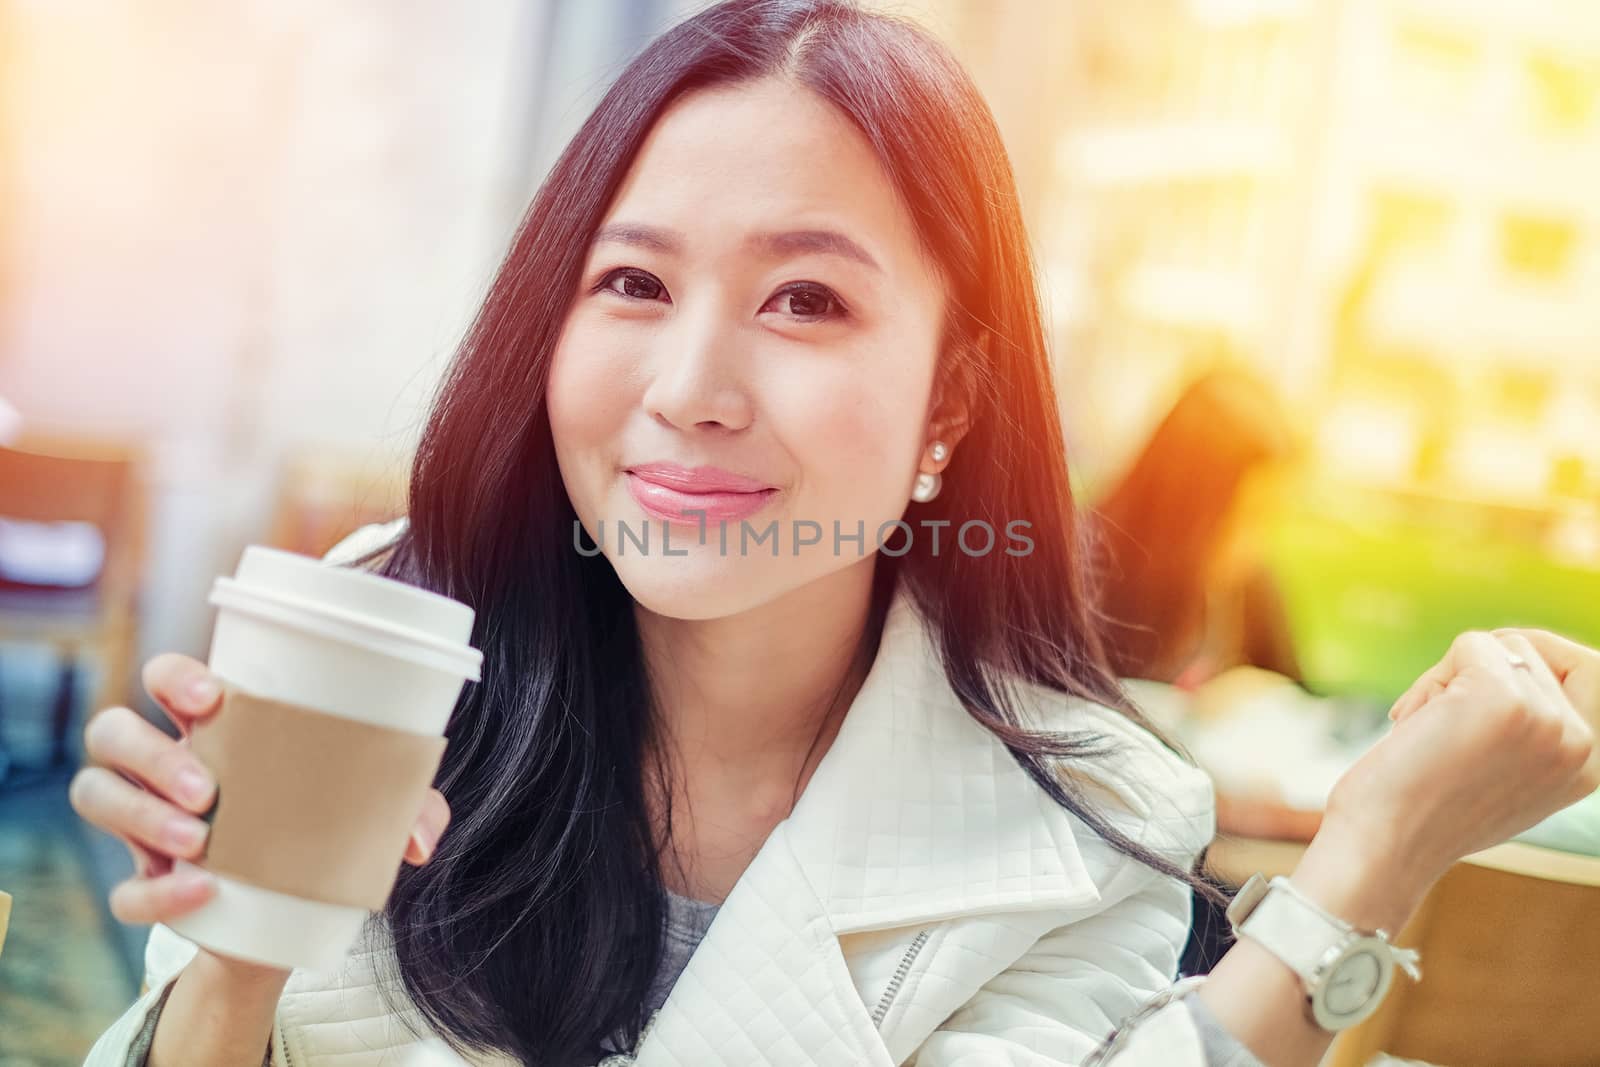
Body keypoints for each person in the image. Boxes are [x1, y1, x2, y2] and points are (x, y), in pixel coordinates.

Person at [71, 3, 1598, 1065]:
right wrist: (240, 947)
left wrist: (1379, 851)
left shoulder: (1080, 824)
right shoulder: (392, 637)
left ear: (950, 404)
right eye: (633, 283)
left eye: (806, 298)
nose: (689, 390)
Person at [1091, 366, 1303, 690]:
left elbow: (1296, 691)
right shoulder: (1091, 577)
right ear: (1191, 511)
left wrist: (1253, 685)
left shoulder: (1249, 584)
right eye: (1246, 515)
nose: (1256, 539)